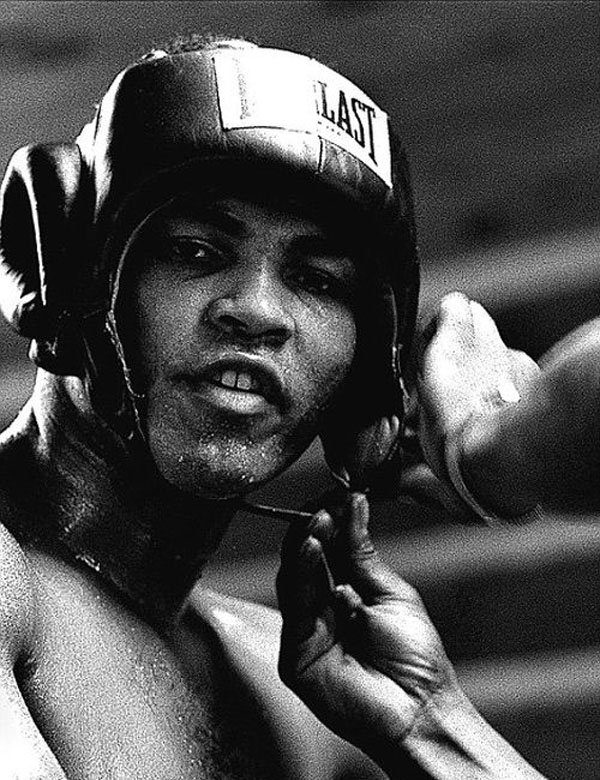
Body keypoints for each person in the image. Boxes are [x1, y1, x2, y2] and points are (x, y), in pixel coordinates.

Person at [0, 33, 422, 778]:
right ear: (67, 277)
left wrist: (432, 727)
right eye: (195, 250)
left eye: (319, 279)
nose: (257, 310)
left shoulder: (298, 687)